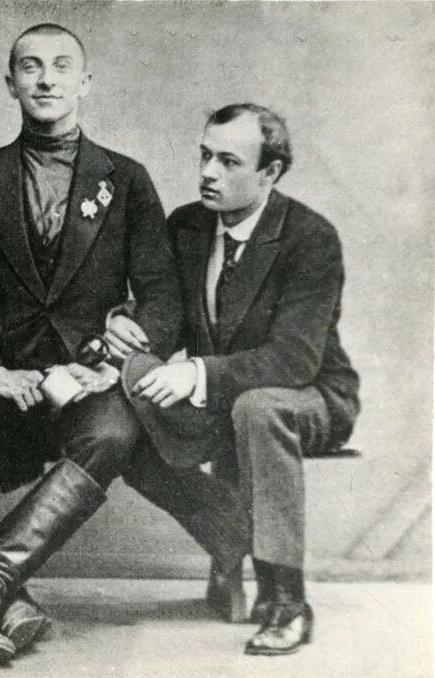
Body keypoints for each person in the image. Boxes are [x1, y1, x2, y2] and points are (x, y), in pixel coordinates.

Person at [0, 24, 245, 666]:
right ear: (10, 84)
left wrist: (115, 359)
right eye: (30, 67)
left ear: (85, 83)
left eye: (62, 66)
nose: (46, 79)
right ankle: (7, 601)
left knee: (115, 433)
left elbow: (162, 297)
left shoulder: (127, 179)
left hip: (90, 382)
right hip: (11, 385)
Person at [113, 103, 360, 655]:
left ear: (270, 172)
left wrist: (197, 371)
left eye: (228, 162)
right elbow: (167, 318)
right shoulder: (187, 226)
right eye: (205, 156)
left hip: (310, 396)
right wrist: (124, 326)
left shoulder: (309, 238)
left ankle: (287, 600)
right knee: (125, 391)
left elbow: (295, 359)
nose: (208, 173)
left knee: (258, 408)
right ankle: (227, 534)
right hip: (222, 396)